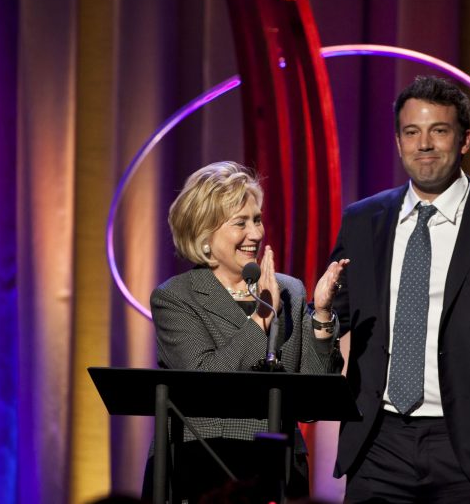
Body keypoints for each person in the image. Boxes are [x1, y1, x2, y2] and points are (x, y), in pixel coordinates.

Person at [329, 76, 470, 503]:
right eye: (412, 132)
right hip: (378, 441)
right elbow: (333, 317)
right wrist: (315, 314)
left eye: (439, 130)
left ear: (465, 140)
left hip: (468, 448)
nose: (425, 145)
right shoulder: (363, 220)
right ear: (398, 143)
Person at [147, 161, 348, 503]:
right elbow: (206, 379)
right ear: (204, 235)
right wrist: (261, 320)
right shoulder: (176, 297)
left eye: (257, 220)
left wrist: (323, 315)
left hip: (280, 468)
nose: (255, 234)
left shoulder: (290, 290)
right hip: (204, 466)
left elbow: (314, 402)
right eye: (240, 223)